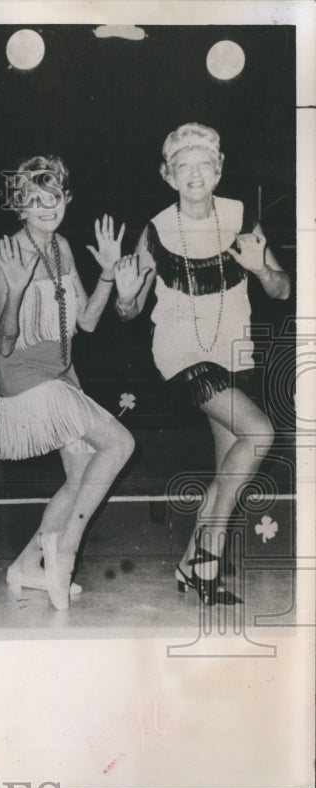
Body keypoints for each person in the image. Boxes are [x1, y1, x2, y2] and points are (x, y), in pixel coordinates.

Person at [115, 123, 290, 606]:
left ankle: (189, 564)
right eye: (183, 165)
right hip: (180, 351)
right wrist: (126, 299)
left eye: (204, 163)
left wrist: (259, 269)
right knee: (260, 434)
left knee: (230, 468)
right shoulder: (155, 230)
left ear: (219, 169)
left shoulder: (239, 217)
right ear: (168, 175)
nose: (195, 173)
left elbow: (282, 289)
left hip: (234, 349)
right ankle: (208, 555)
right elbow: (127, 311)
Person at [0, 155, 136, 610]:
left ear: (65, 198)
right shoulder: (6, 254)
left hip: (62, 374)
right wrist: (12, 291)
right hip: (24, 377)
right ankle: (64, 550)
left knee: (79, 477)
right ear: (20, 206)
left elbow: (88, 322)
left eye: (53, 196)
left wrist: (109, 273)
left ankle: (26, 566)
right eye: (34, 199)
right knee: (119, 444)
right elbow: (5, 343)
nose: (46, 206)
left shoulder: (62, 249)